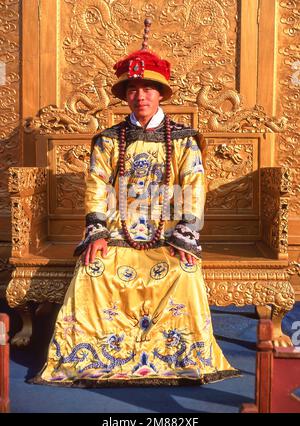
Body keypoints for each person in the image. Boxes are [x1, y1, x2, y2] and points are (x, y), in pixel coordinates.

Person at [32, 20, 239, 387]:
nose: (140, 96)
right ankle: (94, 357)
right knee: (93, 271)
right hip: (117, 229)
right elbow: (96, 184)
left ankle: (176, 358)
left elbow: (193, 184)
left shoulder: (184, 140)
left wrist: (186, 233)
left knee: (185, 272)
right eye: (132, 89)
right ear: (125, 95)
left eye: (148, 89)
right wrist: (96, 231)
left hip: (168, 230)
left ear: (161, 94)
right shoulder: (109, 140)